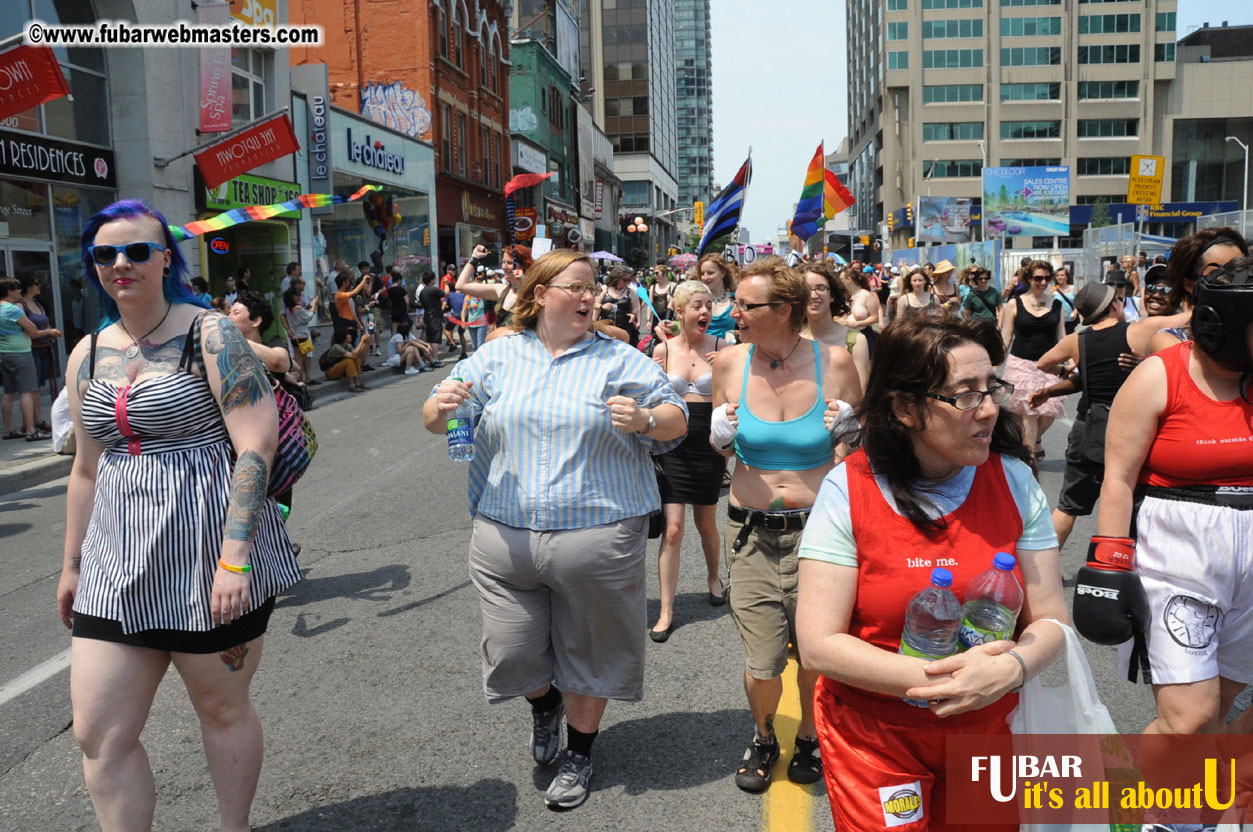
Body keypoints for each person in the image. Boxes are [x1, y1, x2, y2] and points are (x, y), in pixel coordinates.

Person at [57, 199, 300, 832]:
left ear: (166, 259)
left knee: (221, 710)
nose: (122, 263)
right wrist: (71, 566)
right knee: (98, 734)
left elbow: (256, 445)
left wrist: (234, 558)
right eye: (106, 253)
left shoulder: (211, 332)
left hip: (207, 560)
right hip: (116, 566)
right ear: (93, 265)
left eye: (138, 250)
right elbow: (85, 469)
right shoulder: (87, 352)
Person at [422, 248, 687, 810]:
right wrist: (440, 404)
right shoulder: (497, 357)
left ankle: (581, 752)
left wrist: (644, 419)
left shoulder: (619, 359)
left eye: (595, 289)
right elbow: (434, 417)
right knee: (513, 655)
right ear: (541, 295)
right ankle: (544, 706)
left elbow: (677, 418)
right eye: (577, 287)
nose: (591, 297)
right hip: (504, 537)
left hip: (598, 535)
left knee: (592, 652)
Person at [795, 315, 1067, 832]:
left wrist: (1012, 670)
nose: (989, 409)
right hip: (875, 735)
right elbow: (819, 645)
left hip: (989, 729)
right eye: (965, 394)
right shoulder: (847, 488)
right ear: (904, 407)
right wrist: (947, 683)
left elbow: (1052, 620)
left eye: (992, 388)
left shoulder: (1013, 480)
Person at [1081, 255, 1253, 736]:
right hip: (1179, 548)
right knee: (1188, 718)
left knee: (1221, 704)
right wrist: (1108, 567)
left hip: (1250, 558)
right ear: (1228, 325)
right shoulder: (1160, 374)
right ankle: (1145, 803)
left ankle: (1184, 805)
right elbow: (1117, 477)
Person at [709, 256, 861, 793]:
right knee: (764, 659)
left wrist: (852, 427)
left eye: (746, 305)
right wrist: (718, 439)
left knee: (815, 651)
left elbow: (859, 445)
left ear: (785, 310)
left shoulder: (836, 361)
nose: (735, 312)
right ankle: (765, 733)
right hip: (749, 532)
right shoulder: (727, 363)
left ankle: (810, 739)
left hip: (819, 534)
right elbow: (721, 445)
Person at [648, 280, 729, 642]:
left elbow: (732, 400)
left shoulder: (723, 348)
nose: (705, 312)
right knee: (674, 527)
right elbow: (648, 395)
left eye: (709, 305)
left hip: (708, 443)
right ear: (679, 311)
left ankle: (714, 577)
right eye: (697, 305)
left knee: (706, 522)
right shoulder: (662, 350)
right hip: (671, 445)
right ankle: (666, 611)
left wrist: (726, 368)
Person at [1029, 282, 1129, 550]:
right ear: (1114, 306)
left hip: (1089, 427)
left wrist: (1061, 377)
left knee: (1068, 506)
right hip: (1131, 430)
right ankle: (1117, 573)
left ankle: (1040, 572)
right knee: (1127, 502)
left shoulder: (1079, 340)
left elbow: (1043, 363)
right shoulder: (1135, 332)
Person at [1000, 260, 1066, 465]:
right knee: (1029, 412)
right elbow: (1006, 337)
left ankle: (1035, 439)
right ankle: (1028, 462)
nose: (1043, 282)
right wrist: (993, 362)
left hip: (1049, 365)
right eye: (1038, 278)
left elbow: (1062, 338)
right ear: (1029, 279)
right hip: (1021, 364)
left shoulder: (1056, 305)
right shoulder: (1015, 303)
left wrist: (1071, 363)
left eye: (1047, 278)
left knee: (1049, 412)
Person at [1, 277, 60, 440]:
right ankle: (30, 431)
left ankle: (8, 430)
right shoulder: (13, 310)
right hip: (21, 352)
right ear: (10, 292)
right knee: (27, 391)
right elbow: (32, 330)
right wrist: (49, 332)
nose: (20, 291)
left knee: (9, 393)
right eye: (18, 289)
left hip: (5, 354)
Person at [801, 260, 869, 390]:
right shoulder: (791, 338)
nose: (814, 295)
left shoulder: (855, 340)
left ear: (832, 295)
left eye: (821, 288)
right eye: (806, 289)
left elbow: (861, 393)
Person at [20, 274, 62, 404]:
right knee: (33, 386)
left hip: (44, 347)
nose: (40, 286)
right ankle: (34, 420)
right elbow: (28, 332)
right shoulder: (21, 306)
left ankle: (38, 419)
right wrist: (48, 331)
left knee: (39, 384)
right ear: (29, 287)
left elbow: (45, 322)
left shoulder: (38, 304)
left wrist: (50, 333)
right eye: (37, 283)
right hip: (31, 348)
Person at [836, 265, 881, 356]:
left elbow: (875, 317)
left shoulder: (866, 295)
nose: (839, 283)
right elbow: (834, 314)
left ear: (848, 280)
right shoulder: (845, 296)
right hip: (846, 335)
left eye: (841, 280)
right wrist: (838, 319)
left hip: (863, 334)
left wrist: (858, 323)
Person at [282, 282, 317, 386]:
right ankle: (301, 382)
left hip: (294, 337)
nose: (300, 297)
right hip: (302, 336)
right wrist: (314, 305)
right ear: (293, 296)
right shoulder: (298, 308)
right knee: (301, 361)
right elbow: (308, 316)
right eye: (298, 295)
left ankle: (300, 381)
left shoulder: (289, 309)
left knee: (298, 359)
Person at [595, 267, 641, 347]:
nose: (626, 282)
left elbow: (636, 307)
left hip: (626, 327)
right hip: (607, 328)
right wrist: (602, 307)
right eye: (624, 280)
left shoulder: (630, 291)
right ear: (616, 278)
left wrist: (635, 316)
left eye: (628, 280)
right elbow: (594, 305)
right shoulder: (604, 289)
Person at [698, 254, 738, 340]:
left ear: (723, 273)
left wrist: (733, 334)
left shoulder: (736, 298)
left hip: (728, 350)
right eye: (702, 273)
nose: (705, 277)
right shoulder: (697, 300)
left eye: (710, 273)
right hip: (703, 351)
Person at [322, 327, 371, 392]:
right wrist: (361, 342)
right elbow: (354, 355)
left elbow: (357, 356)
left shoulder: (348, 346)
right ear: (343, 337)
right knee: (348, 361)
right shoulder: (336, 347)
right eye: (348, 334)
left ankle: (357, 383)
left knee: (356, 360)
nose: (350, 335)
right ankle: (352, 385)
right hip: (331, 373)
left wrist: (365, 344)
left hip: (341, 370)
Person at [333, 270, 370, 344]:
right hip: (345, 325)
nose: (349, 283)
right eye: (347, 281)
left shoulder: (342, 294)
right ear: (344, 283)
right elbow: (354, 292)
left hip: (350, 324)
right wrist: (363, 280)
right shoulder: (339, 295)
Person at [418, 272, 446, 349]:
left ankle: (429, 358)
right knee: (435, 339)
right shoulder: (434, 289)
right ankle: (435, 358)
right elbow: (446, 293)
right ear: (431, 280)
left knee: (429, 338)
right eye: (434, 278)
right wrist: (446, 283)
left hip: (427, 316)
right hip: (435, 317)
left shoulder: (422, 292)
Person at [1053, 267, 1078, 334]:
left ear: (1067, 277)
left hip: (1070, 320)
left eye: (1062, 275)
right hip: (1057, 320)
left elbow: (1079, 303)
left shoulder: (1073, 288)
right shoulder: (1053, 289)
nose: (1060, 277)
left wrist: (1075, 312)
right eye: (1057, 275)